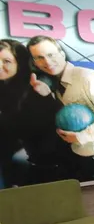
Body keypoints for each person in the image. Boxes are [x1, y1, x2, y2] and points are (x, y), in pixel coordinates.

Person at [27, 36, 94, 181]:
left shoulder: (89, 78)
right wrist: (45, 93)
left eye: (51, 55)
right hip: (80, 155)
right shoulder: (53, 83)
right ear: (35, 62)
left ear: (62, 54)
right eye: (39, 57)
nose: (47, 62)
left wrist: (80, 137)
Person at [0, 38, 74, 186]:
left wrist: (46, 92)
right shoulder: (5, 86)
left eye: (6, 61)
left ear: (20, 63)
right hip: (29, 162)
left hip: (55, 166)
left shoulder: (36, 85)